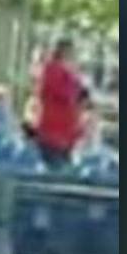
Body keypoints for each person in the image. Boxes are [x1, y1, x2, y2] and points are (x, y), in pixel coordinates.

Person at [35, 36, 88, 168]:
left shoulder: (70, 73)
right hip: (53, 135)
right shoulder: (53, 69)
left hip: (67, 136)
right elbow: (64, 94)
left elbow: (79, 98)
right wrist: (77, 89)